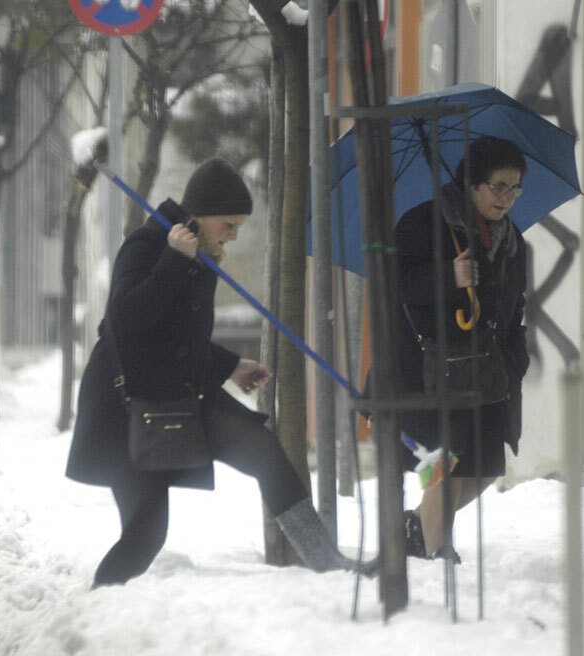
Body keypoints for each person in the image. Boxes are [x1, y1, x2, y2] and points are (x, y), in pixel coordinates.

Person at [67, 158, 374, 586]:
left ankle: (328, 563)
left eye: (238, 226)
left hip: (181, 393)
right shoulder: (148, 243)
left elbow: (177, 339)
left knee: (264, 451)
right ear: (199, 214)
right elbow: (125, 321)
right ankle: (98, 609)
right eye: (228, 224)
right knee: (147, 532)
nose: (232, 235)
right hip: (129, 406)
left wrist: (231, 365)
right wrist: (174, 261)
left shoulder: (198, 253)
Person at [394, 136, 531, 562]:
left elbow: (515, 303)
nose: (507, 198)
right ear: (472, 183)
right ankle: (436, 554)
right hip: (433, 367)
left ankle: (416, 527)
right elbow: (397, 287)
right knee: (445, 461)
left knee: (484, 468)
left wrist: (516, 356)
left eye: (515, 189)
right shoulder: (422, 225)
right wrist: (447, 276)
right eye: (498, 187)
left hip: (489, 371)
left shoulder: (512, 241)